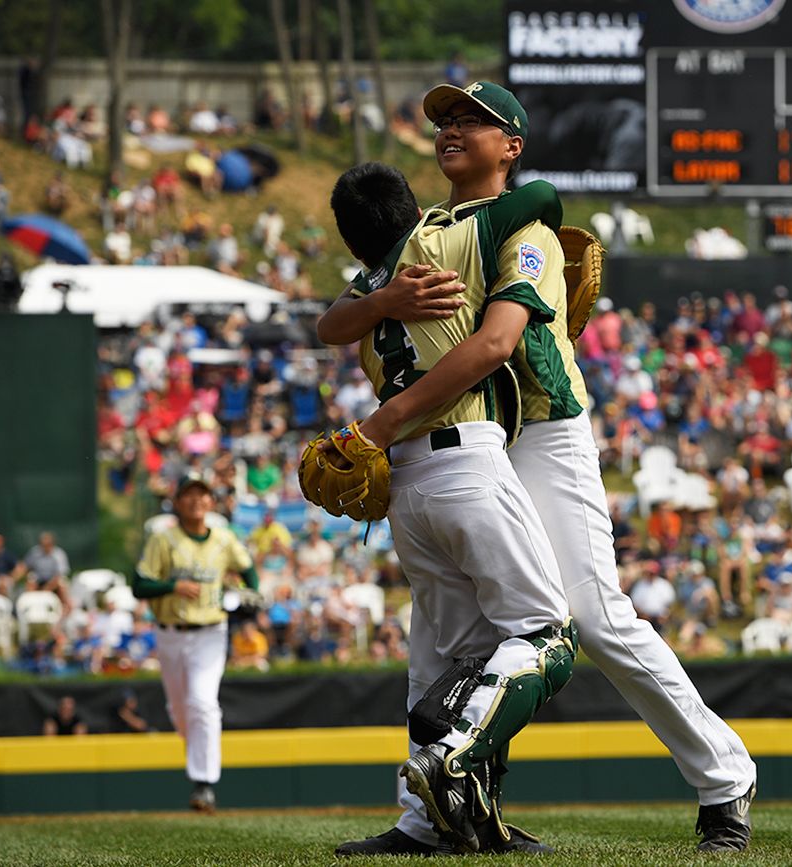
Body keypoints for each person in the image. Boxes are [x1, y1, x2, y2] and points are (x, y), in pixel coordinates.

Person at [323, 80, 757, 855]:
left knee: (592, 619)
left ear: (512, 145)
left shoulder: (529, 225)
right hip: (472, 431)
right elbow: (335, 318)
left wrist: (382, 417)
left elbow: (495, 341)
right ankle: (438, 815)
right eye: (446, 119)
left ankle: (726, 776)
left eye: (473, 120)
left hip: (543, 431)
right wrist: (386, 298)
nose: (453, 128)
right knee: (444, 636)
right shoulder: (426, 231)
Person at [318, 160, 574, 856]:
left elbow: (326, 325)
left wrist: (379, 301)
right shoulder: (446, 237)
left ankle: (434, 822)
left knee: (452, 662)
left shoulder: (369, 285)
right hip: (465, 455)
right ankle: (450, 757)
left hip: (405, 480)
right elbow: (543, 197)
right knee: (547, 637)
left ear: (352, 241)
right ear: (414, 208)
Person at [131, 474, 258, 813]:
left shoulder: (223, 538)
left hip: (210, 631)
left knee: (202, 703)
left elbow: (248, 570)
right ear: (177, 501)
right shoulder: (163, 539)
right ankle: (198, 759)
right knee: (180, 710)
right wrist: (171, 587)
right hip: (169, 632)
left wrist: (252, 593)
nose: (196, 500)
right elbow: (139, 585)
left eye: (203, 494)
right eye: (189, 494)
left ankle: (204, 785)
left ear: (211, 502)